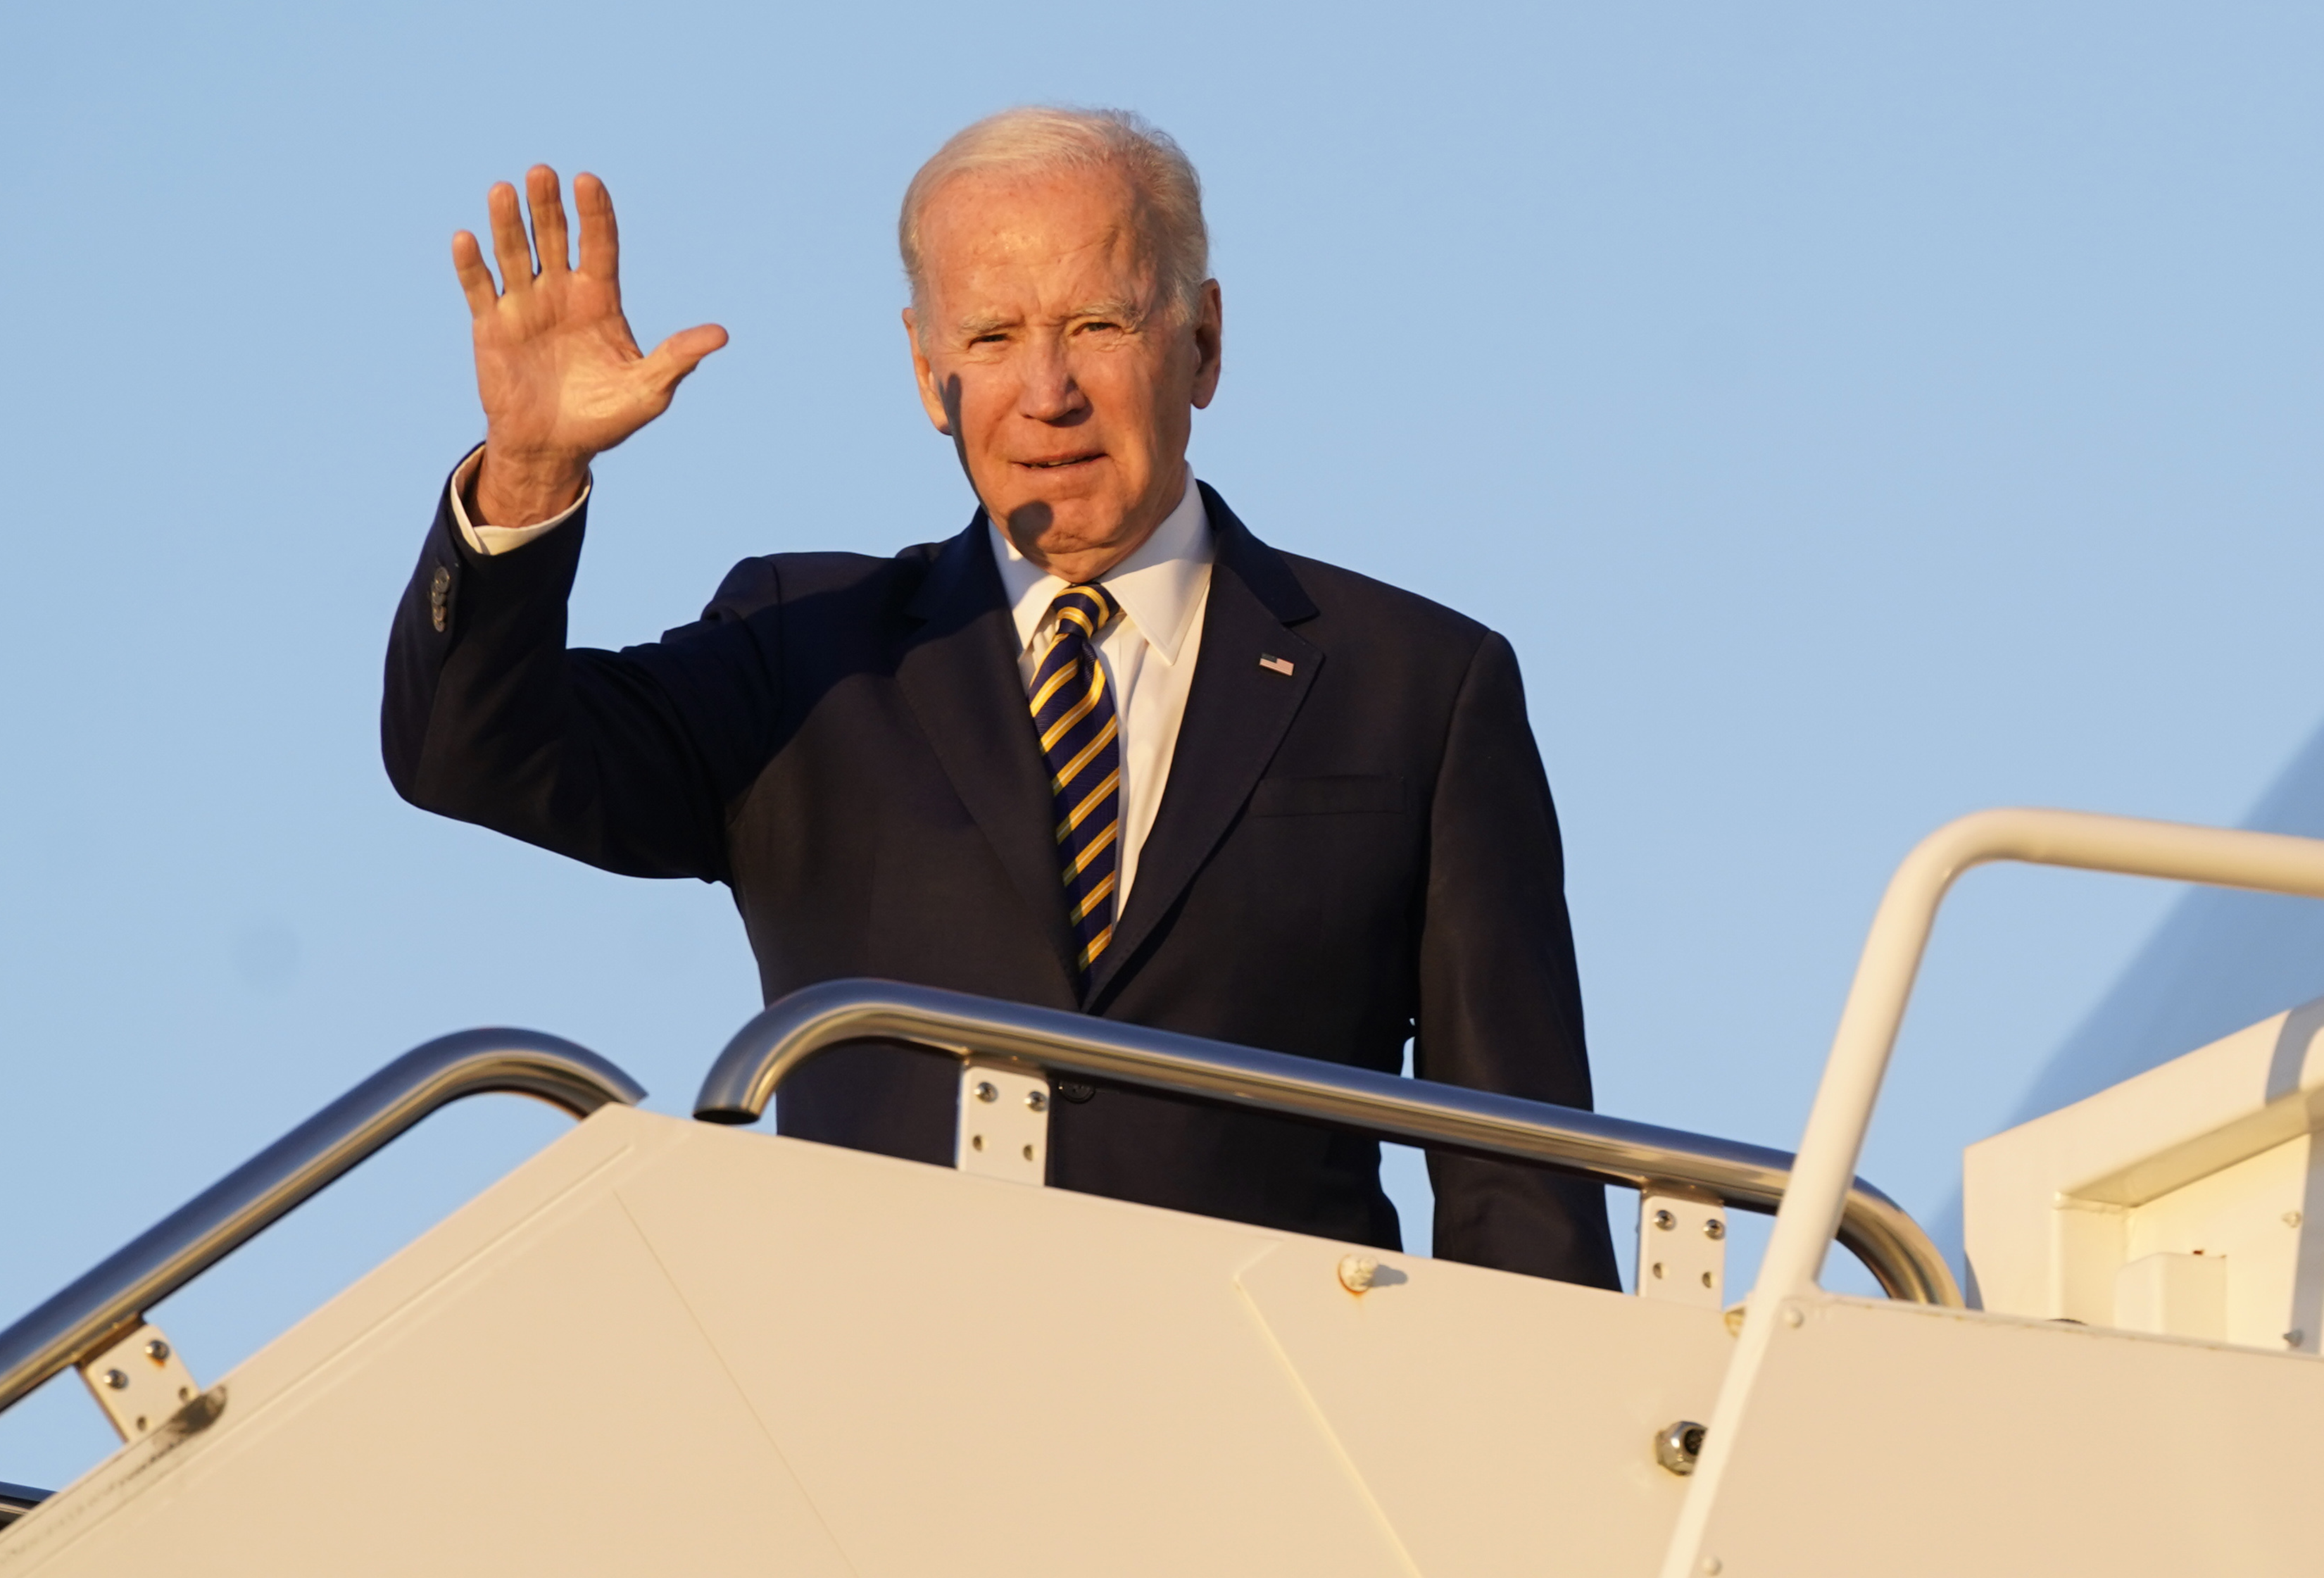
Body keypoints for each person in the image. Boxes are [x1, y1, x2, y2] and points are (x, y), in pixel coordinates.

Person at [383, 107, 1616, 1286]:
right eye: (988, 339)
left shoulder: (1418, 686)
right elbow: (470, 754)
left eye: (1095, 323)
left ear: (1202, 342)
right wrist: (530, 474)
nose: (1046, 392)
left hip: (1278, 1432)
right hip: (878, 1428)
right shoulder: (800, 649)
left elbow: (1520, 1168)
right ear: (927, 374)